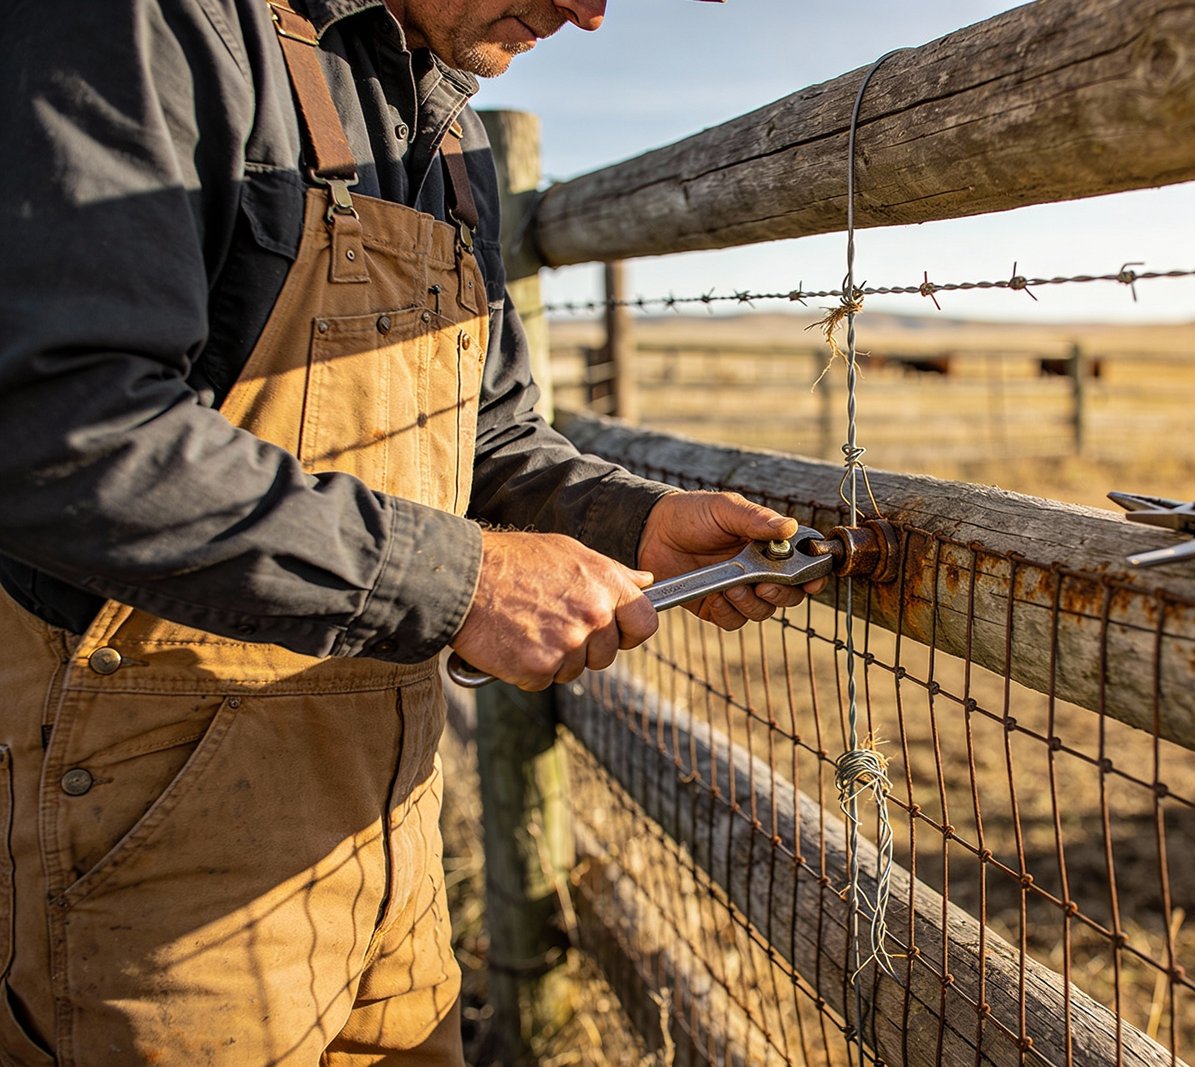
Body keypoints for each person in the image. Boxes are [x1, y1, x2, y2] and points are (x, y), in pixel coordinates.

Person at [0, 0, 809, 1062]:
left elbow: (487, 430)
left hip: (389, 836)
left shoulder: (448, 130)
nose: (590, 13)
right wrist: (467, 582)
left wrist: (639, 519)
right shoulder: (151, 26)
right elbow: (61, 426)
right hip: (149, 859)